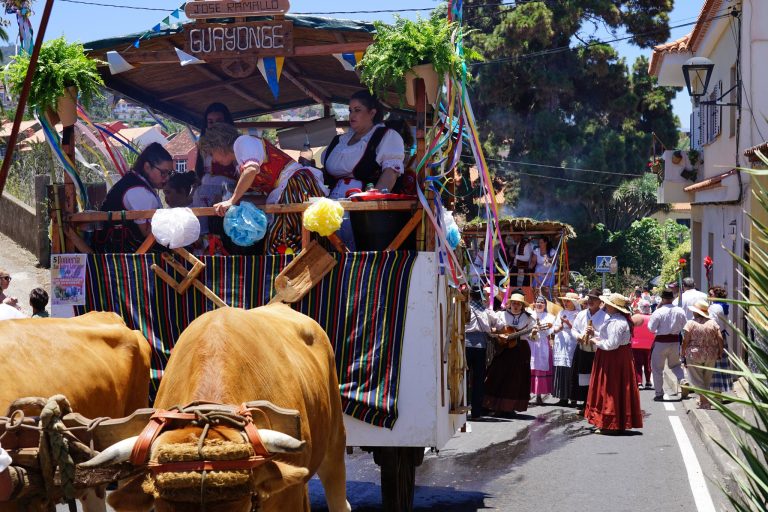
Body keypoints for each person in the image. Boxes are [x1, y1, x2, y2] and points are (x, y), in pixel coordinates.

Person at [199, 122, 328, 254]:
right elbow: (267, 192)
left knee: (284, 239)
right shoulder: (241, 158)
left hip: (295, 187)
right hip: (291, 188)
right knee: (292, 239)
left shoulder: (242, 142)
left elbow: (251, 169)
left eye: (211, 153)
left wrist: (231, 200)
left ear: (219, 146)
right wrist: (237, 201)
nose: (213, 160)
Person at [321, 90, 406, 250]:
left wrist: (372, 203)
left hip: (364, 213)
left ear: (372, 112)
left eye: (358, 110)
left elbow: (390, 174)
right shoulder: (339, 141)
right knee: (331, 254)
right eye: (350, 111)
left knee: (357, 255)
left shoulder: (386, 136)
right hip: (331, 209)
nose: (352, 115)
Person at [94, 143, 172, 253]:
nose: (167, 178)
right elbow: (147, 233)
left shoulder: (133, 181)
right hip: (123, 253)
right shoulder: (138, 191)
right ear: (147, 167)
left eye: (169, 173)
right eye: (163, 173)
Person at [584, 293, 643, 433]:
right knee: (615, 388)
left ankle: (610, 423)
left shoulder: (616, 322)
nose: (604, 305)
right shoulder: (617, 320)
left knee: (611, 388)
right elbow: (610, 338)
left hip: (613, 358)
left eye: (606, 303)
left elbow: (612, 344)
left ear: (612, 306)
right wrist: (596, 334)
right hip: (617, 357)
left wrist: (595, 341)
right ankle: (613, 422)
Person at [483, 291, 534, 416]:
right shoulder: (500, 315)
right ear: (510, 303)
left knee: (516, 379)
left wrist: (534, 334)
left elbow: (533, 337)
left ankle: (509, 407)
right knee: (496, 375)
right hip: (503, 349)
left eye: (519, 304)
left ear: (522, 305)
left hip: (520, 349)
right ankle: (489, 405)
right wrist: (498, 334)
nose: (516, 306)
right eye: (514, 303)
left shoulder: (528, 318)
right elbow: (490, 328)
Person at [192, 103, 238, 235]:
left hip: (227, 197)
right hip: (203, 197)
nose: (214, 126)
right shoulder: (203, 146)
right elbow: (200, 173)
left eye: (219, 121)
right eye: (210, 122)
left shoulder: (235, 146)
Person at [569, 288, 608, 410]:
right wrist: (579, 336)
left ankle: (595, 404)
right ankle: (585, 403)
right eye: (589, 298)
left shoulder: (605, 317)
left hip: (596, 352)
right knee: (582, 377)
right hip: (582, 350)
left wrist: (594, 333)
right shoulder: (581, 314)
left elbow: (606, 335)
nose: (590, 301)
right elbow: (574, 329)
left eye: (594, 299)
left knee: (595, 378)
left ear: (600, 301)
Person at [681, 300, 723, 409]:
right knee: (707, 377)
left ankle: (704, 402)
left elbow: (686, 340)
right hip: (711, 353)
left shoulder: (691, 323)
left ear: (696, 312)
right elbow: (720, 338)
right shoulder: (713, 323)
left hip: (694, 353)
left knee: (696, 378)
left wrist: (682, 352)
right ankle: (703, 399)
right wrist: (720, 351)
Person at [647, 289, 688, 401]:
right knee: (675, 365)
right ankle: (682, 380)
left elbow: (651, 329)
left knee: (657, 369)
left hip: (661, 342)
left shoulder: (658, 312)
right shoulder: (680, 311)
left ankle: (659, 393)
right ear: (673, 298)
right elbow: (685, 326)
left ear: (663, 299)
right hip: (675, 341)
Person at [465, 286, 497, 419]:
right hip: (481, 347)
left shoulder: (464, 308)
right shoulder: (486, 311)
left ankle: (464, 408)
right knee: (478, 380)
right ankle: (476, 412)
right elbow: (499, 324)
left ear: (470, 296)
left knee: (463, 378)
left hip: (465, 345)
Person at [552, 292, 581, 406]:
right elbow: (554, 326)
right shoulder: (561, 312)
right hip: (560, 343)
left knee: (571, 369)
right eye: (564, 301)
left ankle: (573, 397)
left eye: (567, 301)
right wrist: (557, 328)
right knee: (561, 369)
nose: (565, 303)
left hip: (571, 343)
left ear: (574, 302)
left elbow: (579, 329)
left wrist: (568, 323)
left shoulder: (578, 314)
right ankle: (562, 397)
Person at [529, 295, 555, 405]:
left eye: (542, 303)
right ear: (534, 303)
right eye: (537, 302)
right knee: (528, 367)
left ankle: (538, 395)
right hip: (529, 343)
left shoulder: (549, 317)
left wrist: (542, 330)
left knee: (539, 368)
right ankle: (527, 393)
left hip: (542, 344)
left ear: (545, 305)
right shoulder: (529, 314)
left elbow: (551, 331)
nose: (539, 304)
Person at [707, 285, 733, 393]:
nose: (709, 296)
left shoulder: (713, 307)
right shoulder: (724, 306)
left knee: (714, 364)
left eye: (711, 294)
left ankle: (717, 393)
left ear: (716, 295)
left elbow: (712, 323)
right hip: (723, 336)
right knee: (722, 364)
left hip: (714, 337)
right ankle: (721, 391)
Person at [631, 299, 654, 389]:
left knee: (638, 364)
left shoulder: (635, 317)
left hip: (636, 345)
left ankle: (639, 382)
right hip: (649, 345)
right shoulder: (652, 317)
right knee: (648, 364)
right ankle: (648, 381)